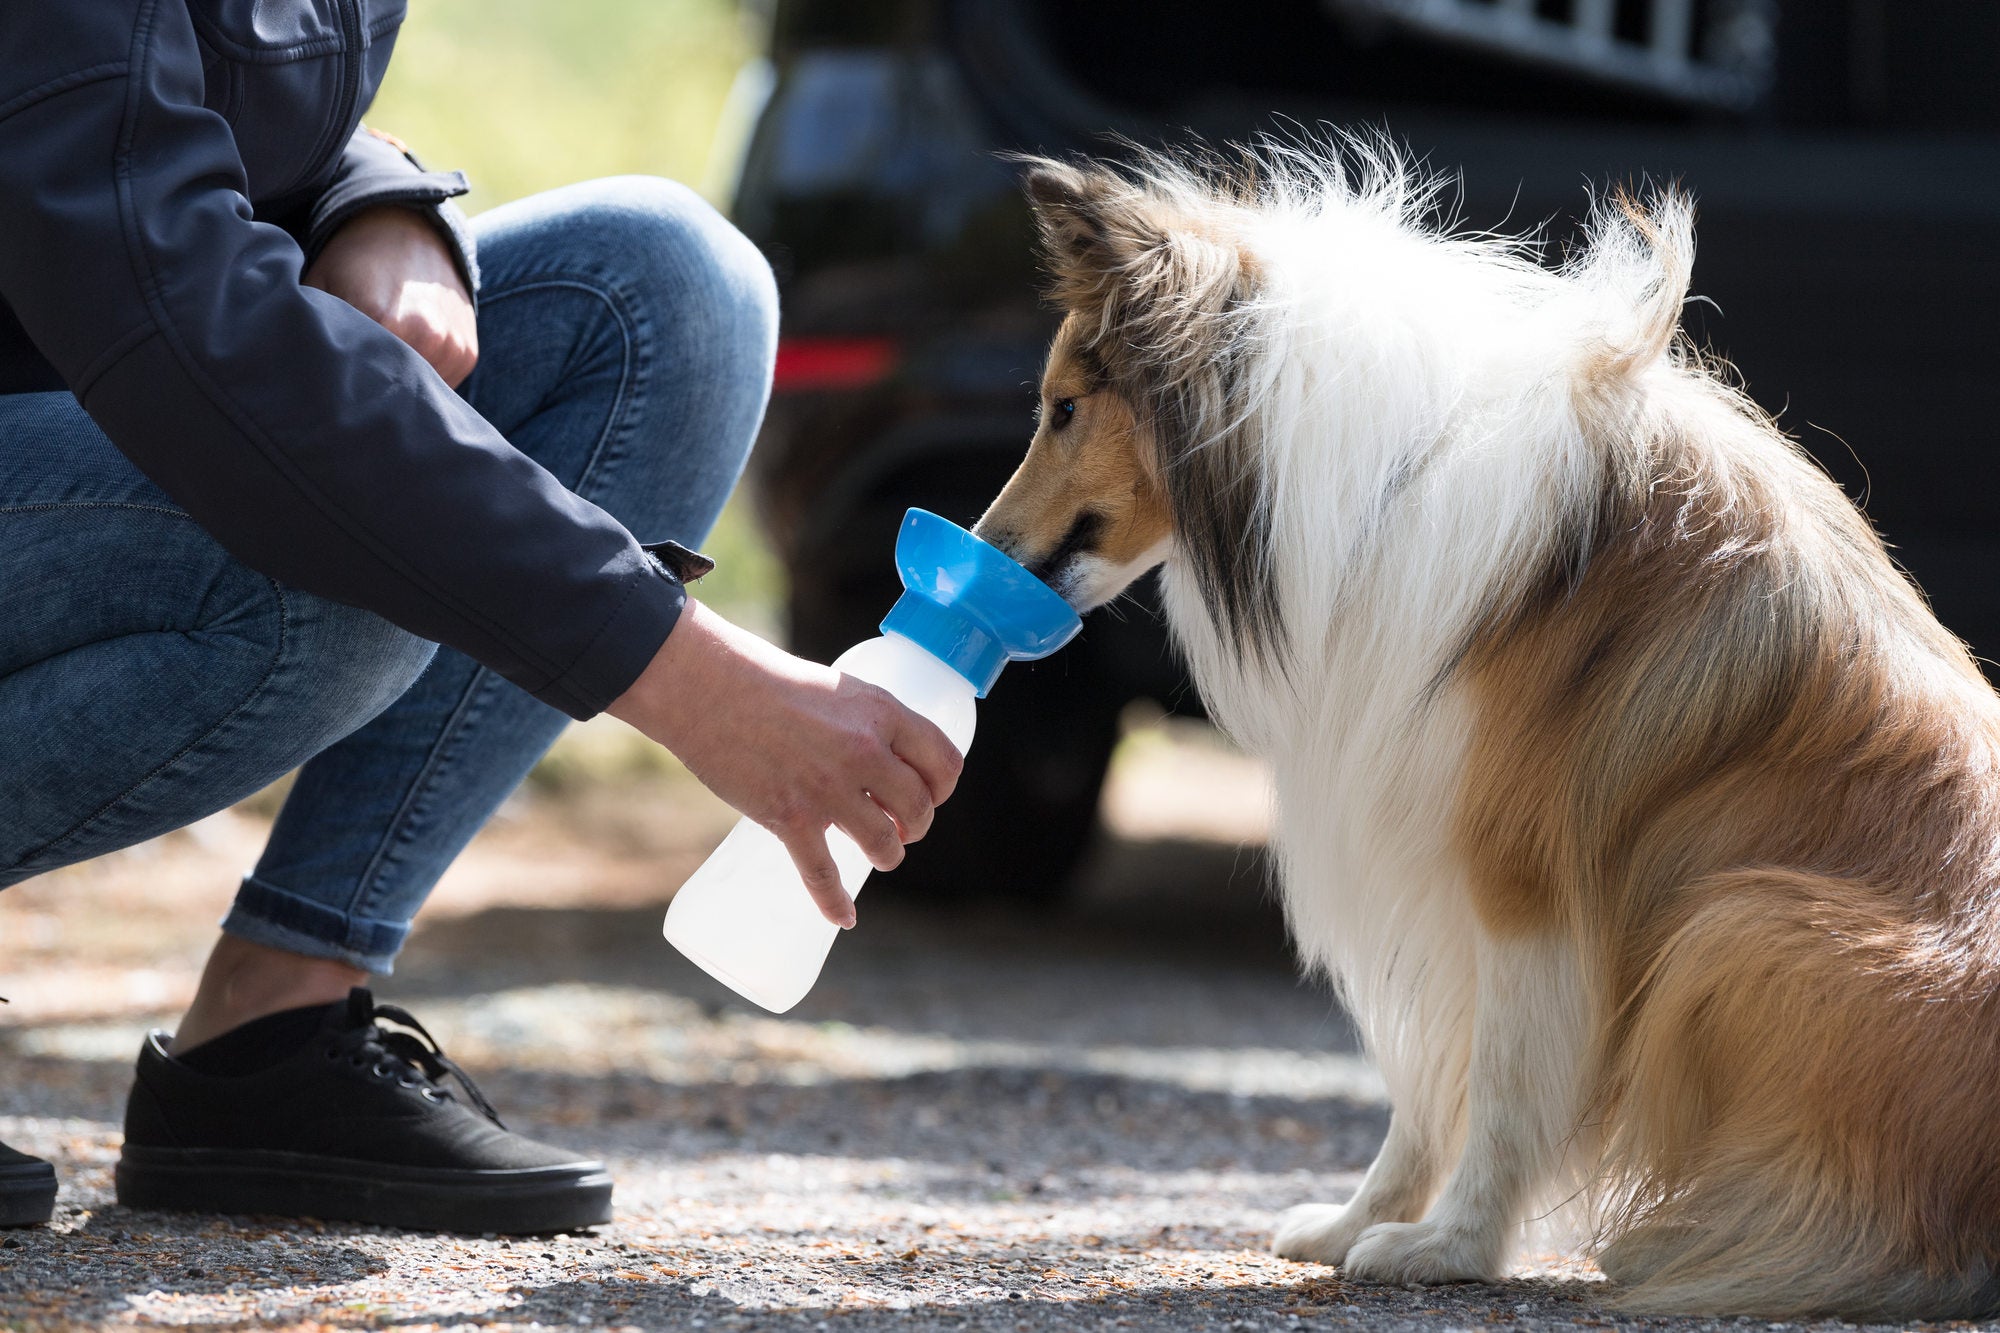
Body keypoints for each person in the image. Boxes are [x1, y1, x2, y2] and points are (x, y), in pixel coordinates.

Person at [0, 3, 961, 1234]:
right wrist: (690, 679)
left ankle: (271, 1032)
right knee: (334, 557)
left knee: (665, 292)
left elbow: (151, 99)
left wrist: (368, 198)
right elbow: (146, 280)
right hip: (113, 362)